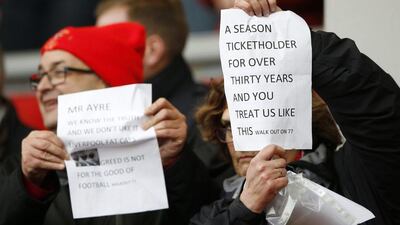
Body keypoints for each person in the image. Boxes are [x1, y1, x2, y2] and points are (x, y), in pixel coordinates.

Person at [193, 1, 400, 225]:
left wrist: (292, 39)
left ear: (304, 122)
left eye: (261, 119)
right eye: (231, 127)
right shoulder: (214, 207)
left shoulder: (356, 179)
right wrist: (245, 209)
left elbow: (377, 111)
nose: (243, 142)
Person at [0, 22, 215, 225]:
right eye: (40, 76)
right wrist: (30, 185)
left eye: (59, 72)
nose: (43, 86)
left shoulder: (169, 150)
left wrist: (177, 164)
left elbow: (208, 215)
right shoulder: (20, 168)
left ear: (108, 81)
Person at [95, 0, 234, 188]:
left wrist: (176, 160)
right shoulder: (103, 114)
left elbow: (210, 207)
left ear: (152, 50)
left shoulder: (210, 117)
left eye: (108, 43)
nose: (95, 57)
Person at [190, 79, 343, 224]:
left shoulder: (345, 179)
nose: (240, 146)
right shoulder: (219, 201)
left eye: (255, 126)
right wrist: (245, 208)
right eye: (231, 128)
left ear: (298, 127)